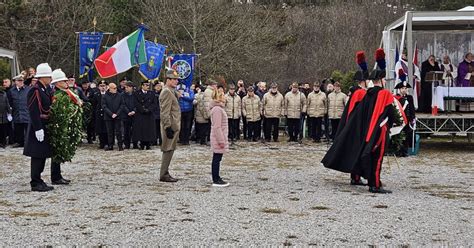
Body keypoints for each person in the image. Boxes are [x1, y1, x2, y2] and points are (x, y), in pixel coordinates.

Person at [322, 65, 407, 194]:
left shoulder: (368, 94)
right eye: (384, 79)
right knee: (377, 157)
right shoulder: (384, 93)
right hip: (380, 129)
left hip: (369, 130)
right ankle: (375, 184)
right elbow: (391, 112)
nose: (385, 81)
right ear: (381, 80)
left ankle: (371, 181)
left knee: (372, 156)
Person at [48, 69, 83, 185]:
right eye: (63, 81)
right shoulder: (59, 95)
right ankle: (56, 177)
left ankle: (58, 175)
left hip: (64, 126)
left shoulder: (67, 92)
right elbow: (63, 111)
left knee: (58, 152)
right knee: (57, 152)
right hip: (59, 127)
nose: (66, 82)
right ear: (57, 83)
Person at [23, 63, 54, 192]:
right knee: (37, 155)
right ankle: (35, 182)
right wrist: (37, 128)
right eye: (49, 76)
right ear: (43, 77)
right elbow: (33, 110)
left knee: (42, 154)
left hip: (44, 124)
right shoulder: (35, 90)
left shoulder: (44, 89)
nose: (50, 79)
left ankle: (39, 179)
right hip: (39, 125)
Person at [159, 70, 181, 182]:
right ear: (168, 80)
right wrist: (167, 127)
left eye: (177, 79)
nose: (176, 81)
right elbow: (165, 111)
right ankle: (163, 174)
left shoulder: (171, 91)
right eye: (174, 79)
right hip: (170, 125)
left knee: (170, 148)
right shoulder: (166, 92)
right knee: (168, 148)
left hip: (173, 124)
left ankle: (165, 172)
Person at [209, 89, 230, 187]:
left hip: (220, 137)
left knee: (218, 158)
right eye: (223, 95)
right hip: (218, 138)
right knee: (216, 159)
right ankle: (216, 179)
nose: (225, 97)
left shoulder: (219, 108)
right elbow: (217, 127)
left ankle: (217, 177)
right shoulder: (217, 109)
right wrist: (221, 141)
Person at [133, 81, 157, 150]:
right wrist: (142, 109)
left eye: (148, 85)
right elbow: (136, 103)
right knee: (141, 130)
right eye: (146, 85)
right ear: (142, 86)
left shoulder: (152, 93)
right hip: (140, 114)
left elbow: (154, 103)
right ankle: (142, 144)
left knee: (149, 130)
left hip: (149, 114)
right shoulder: (137, 93)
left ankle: (148, 144)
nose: (148, 87)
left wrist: (149, 109)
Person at [8, 75, 31, 147]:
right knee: (18, 128)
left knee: (28, 129)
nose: (21, 82)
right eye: (19, 81)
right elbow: (9, 102)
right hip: (16, 113)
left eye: (22, 80)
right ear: (15, 82)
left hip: (27, 112)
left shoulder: (28, 89)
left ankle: (28, 142)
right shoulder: (11, 91)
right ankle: (19, 142)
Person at [394, 81, 416, 157]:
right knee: (398, 135)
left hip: (407, 119)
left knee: (406, 135)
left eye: (405, 88)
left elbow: (412, 108)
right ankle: (398, 150)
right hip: (400, 119)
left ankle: (405, 151)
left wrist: (413, 118)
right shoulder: (396, 98)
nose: (404, 90)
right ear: (399, 89)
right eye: (402, 88)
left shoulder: (409, 98)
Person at [102, 82, 124, 151]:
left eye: (116, 88)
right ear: (110, 89)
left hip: (117, 116)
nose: (115, 89)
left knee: (118, 132)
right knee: (110, 132)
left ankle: (120, 146)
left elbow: (122, 105)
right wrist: (111, 114)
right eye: (114, 88)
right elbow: (104, 106)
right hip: (108, 117)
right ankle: (110, 145)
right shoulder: (105, 96)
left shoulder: (119, 95)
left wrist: (117, 113)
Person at [92, 80, 108, 149]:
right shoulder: (96, 94)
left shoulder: (108, 94)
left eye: (104, 86)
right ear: (98, 87)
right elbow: (94, 104)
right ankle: (101, 143)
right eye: (101, 86)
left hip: (107, 113)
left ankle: (107, 142)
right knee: (100, 129)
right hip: (99, 114)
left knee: (106, 129)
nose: (102, 87)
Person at [122, 81, 137, 149]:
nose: (126, 89)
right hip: (126, 115)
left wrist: (134, 111)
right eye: (125, 87)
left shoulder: (135, 94)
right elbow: (123, 104)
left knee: (135, 130)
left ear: (131, 87)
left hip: (134, 115)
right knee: (126, 131)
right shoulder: (122, 95)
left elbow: (137, 103)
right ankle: (127, 144)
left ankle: (135, 144)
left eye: (127, 87)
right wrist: (128, 112)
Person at [0, 83, 12, 148]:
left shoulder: (4, 94)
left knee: (3, 129)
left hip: (4, 114)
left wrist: (9, 113)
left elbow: (7, 104)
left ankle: (3, 143)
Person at [152, 82, 162, 146]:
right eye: (157, 86)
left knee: (161, 129)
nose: (158, 87)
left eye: (159, 86)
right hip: (154, 113)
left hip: (161, 113)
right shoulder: (152, 93)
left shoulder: (163, 93)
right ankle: (154, 141)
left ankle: (161, 141)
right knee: (154, 128)